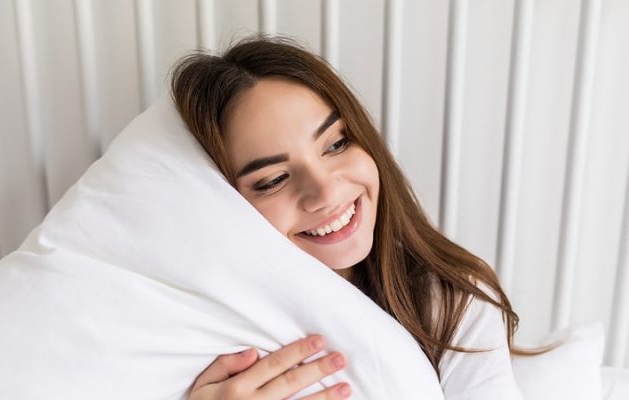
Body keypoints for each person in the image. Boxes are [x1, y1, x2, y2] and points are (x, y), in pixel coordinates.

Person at [170, 35, 537, 399]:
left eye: (336, 144)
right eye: (273, 180)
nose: (326, 192)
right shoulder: (204, 330)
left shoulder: (450, 304)